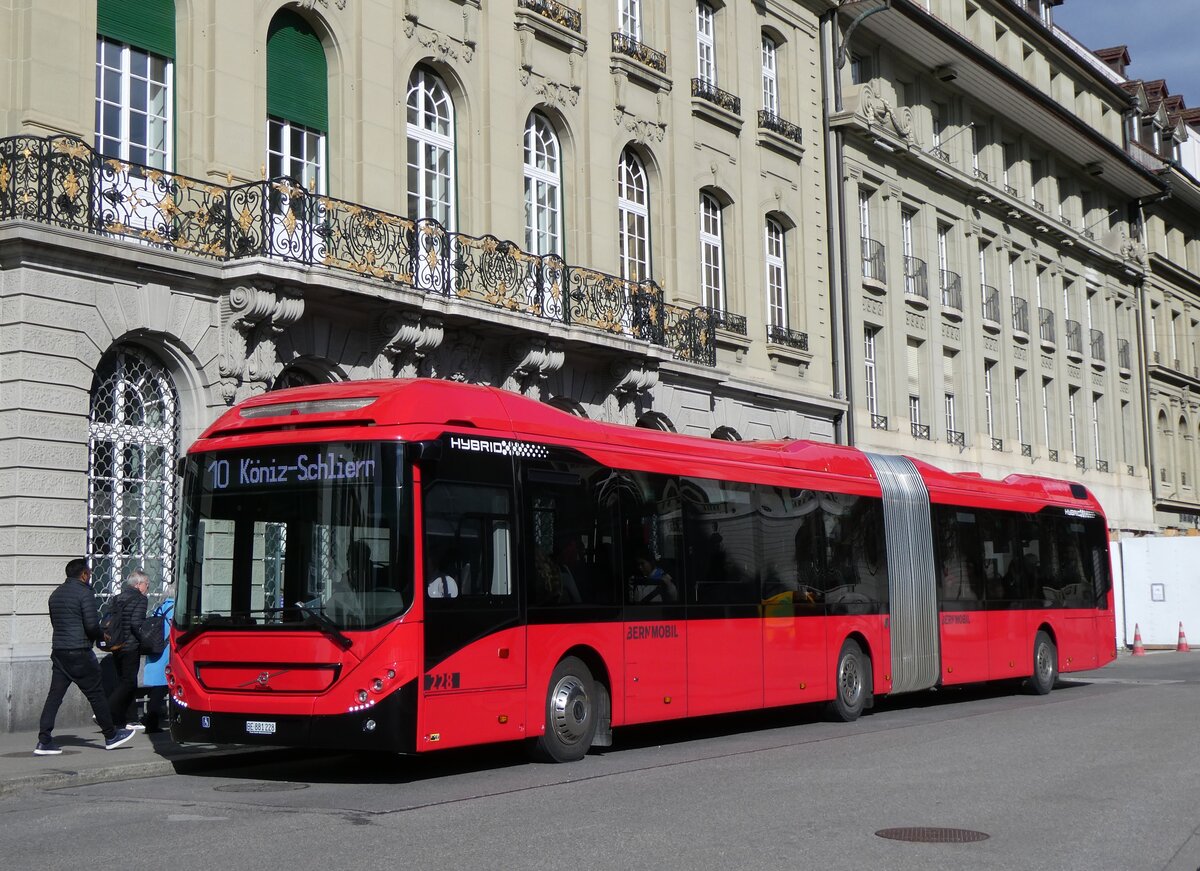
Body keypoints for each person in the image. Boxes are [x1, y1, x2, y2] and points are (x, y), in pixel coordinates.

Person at [34, 559, 135, 755]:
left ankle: (44, 740)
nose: (90, 576)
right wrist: (102, 635)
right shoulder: (84, 593)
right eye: (89, 573)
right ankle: (111, 736)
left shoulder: (55, 594)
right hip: (79, 652)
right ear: (84, 574)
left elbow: (57, 623)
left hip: (60, 652)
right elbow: (91, 625)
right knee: (96, 694)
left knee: (54, 697)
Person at [105, 570, 150, 732]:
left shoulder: (117, 598)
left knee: (124, 681)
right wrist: (145, 638)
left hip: (116, 645)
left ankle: (129, 719)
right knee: (129, 682)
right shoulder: (141, 599)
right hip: (131, 645)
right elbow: (136, 623)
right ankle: (106, 712)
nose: (148, 587)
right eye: (146, 583)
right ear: (138, 584)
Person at [141, 581, 175, 733]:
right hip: (168, 654)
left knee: (158, 690)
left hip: (157, 651)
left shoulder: (161, 607)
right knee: (164, 689)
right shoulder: (176, 609)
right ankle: (152, 723)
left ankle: (151, 721)